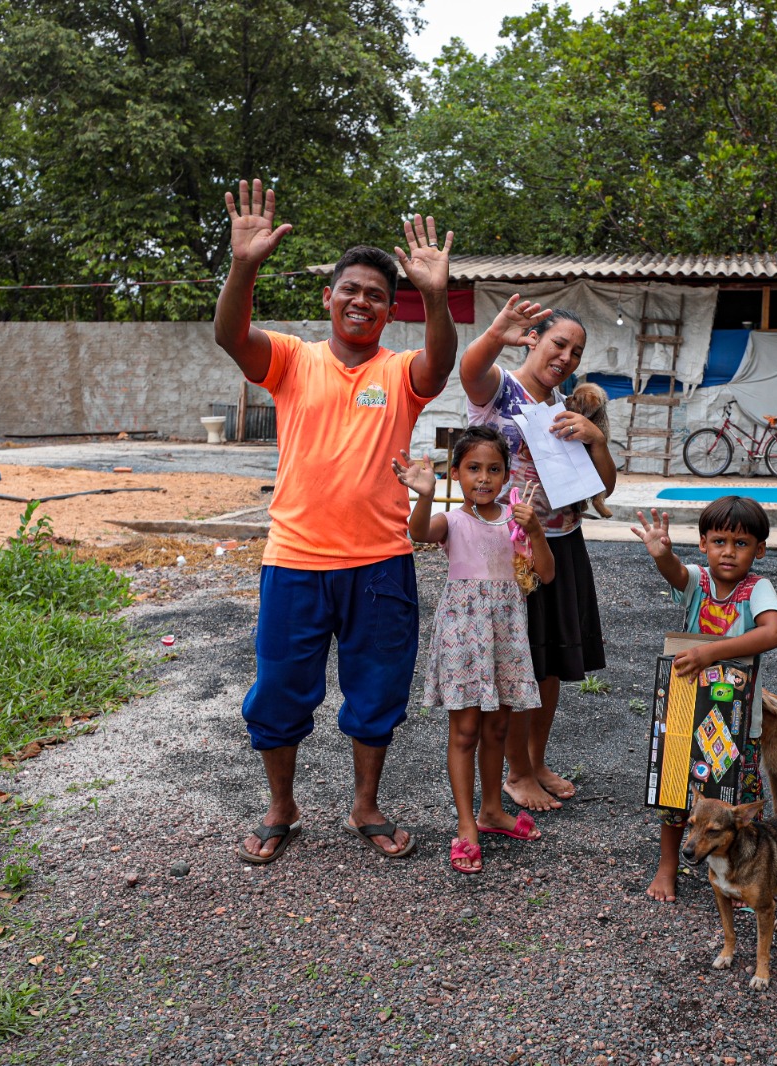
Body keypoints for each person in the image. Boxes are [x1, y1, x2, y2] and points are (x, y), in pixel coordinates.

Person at [215, 179, 456, 863]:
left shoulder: (401, 369)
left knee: (377, 689)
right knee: (280, 691)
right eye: (350, 289)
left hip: (380, 562)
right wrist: (244, 264)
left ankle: (365, 806)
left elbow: (440, 365)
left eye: (376, 295)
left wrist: (436, 296)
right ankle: (282, 807)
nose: (361, 301)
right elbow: (231, 336)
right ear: (329, 298)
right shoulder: (293, 360)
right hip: (294, 559)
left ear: (389, 309)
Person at [460, 298, 617, 812]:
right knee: (517, 663)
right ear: (533, 339)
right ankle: (517, 772)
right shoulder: (499, 388)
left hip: (563, 543)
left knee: (548, 663)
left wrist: (595, 439)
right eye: (558, 343)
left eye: (576, 351)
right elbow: (469, 369)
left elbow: (605, 487)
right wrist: (495, 331)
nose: (567, 357)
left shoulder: (568, 408)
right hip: (510, 551)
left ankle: (537, 758)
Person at [394, 428, 555, 874]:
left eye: (493, 469)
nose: (483, 478)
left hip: (504, 634)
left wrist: (537, 531)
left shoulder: (516, 519)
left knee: (499, 729)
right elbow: (420, 531)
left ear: (506, 474)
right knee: (465, 730)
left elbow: (546, 573)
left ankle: (491, 811)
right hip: (464, 636)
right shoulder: (453, 520)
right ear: (458, 473)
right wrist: (424, 495)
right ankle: (466, 825)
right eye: (472, 468)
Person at [631, 496, 777, 902]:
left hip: (738, 718)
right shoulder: (698, 581)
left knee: (737, 799)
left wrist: (710, 651)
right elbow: (676, 574)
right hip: (685, 711)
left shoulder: (758, 588)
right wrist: (661, 554)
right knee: (675, 792)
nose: (729, 552)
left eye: (741, 543)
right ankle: (668, 866)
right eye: (719, 541)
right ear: (703, 544)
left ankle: (744, 874)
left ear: (760, 549)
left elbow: (773, 633)